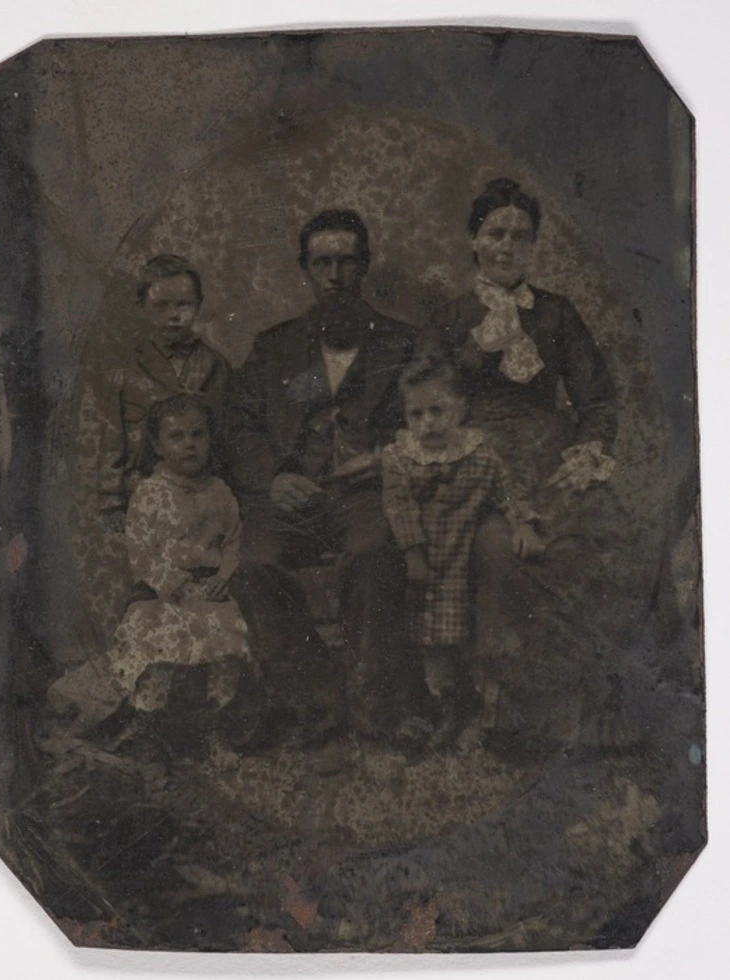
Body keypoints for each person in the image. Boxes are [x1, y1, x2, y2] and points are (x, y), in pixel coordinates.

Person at [424, 177, 636, 757]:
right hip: (478, 462)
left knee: (609, 537)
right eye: (495, 233)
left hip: (551, 456)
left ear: (535, 245)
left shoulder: (558, 314)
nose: (507, 246)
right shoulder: (450, 316)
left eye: (522, 236)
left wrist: (586, 451)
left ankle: (599, 714)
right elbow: (423, 397)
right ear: (473, 240)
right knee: (503, 552)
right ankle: (513, 718)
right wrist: (477, 351)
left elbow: (596, 399)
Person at [230, 209, 428, 746]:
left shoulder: (403, 344)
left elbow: (437, 421)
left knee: (372, 553)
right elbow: (242, 427)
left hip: (366, 495)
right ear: (306, 270)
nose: (335, 275)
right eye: (323, 263)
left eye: (346, 262)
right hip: (290, 497)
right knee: (253, 564)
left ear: (364, 266)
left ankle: (372, 708)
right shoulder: (274, 348)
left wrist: (385, 458)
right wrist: (273, 479)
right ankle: (319, 701)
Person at [50, 395, 259, 756]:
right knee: (153, 641)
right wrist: (173, 585)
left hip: (211, 592)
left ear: (210, 440)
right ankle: (148, 722)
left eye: (198, 435)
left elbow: (233, 541)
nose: (189, 444)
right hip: (164, 594)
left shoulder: (220, 492)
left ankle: (216, 723)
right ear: (158, 446)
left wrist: (224, 574)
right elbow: (142, 554)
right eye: (177, 437)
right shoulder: (150, 494)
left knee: (229, 640)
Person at [73, 252, 234, 650]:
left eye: (184, 305)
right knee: (150, 598)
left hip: (203, 503)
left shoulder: (216, 366)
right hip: (144, 503)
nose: (173, 316)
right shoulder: (125, 370)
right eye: (161, 305)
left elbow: (228, 441)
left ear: (198, 306)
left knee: (208, 597)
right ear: (142, 307)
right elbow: (111, 440)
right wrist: (112, 505)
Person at [382, 357, 544, 748]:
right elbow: (398, 507)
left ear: (460, 409)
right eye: (416, 414)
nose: (427, 423)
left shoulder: (480, 455)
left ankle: (478, 709)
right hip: (422, 559)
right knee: (428, 640)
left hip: (460, 557)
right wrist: (413, 555)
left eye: (437, 410)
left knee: (465, 632)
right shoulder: (400, 458)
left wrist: (523, 523)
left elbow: (507, 492)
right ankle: (443, 707)